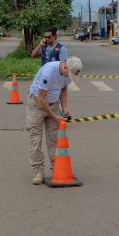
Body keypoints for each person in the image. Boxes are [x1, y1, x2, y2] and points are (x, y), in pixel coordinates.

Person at [25, 54, 82, 184]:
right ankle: (38, 170)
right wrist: (55, 117)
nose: (70, 77)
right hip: (37, 104)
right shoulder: (48, 72)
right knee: (36, 139)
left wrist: (65, 109)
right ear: (65, 66)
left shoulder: (68, 73)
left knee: (55, 138)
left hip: (53, 102)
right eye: (70, 74)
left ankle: (58, 167)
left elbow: (63, 89)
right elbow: (41, 99)